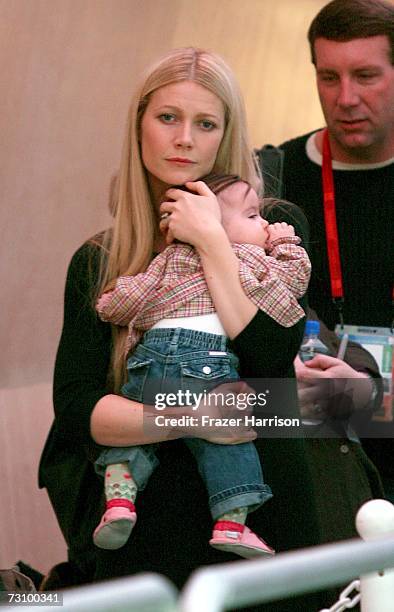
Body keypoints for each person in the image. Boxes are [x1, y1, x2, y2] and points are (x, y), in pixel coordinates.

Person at [38, 47, 328, 611]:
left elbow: (270, 362)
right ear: (139, 124)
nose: (184, 139)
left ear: (226, 134)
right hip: (150, 526)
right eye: (168, 118)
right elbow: (77, 411)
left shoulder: (270, 230)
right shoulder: (99, 260)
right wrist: (191, 418)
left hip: (264, 514)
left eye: (206, 123)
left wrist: (213, 240)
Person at [92, 173, 311, 556]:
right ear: (213, 227)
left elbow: (132, 299)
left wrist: (110, 301)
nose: (262, 223)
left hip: (150, 358)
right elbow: (292, 284)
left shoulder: (170, 258)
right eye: (252, 215)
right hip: (206, 360)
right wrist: (283, 240)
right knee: (227, 440)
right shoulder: (250, 259)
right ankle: (231, 522)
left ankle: (119, 499)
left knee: (140, 417)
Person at [258, 0, 392, 523]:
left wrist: (370, 396)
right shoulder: (272, 178)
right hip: (313, 467)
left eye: (366, 76)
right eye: (329, 77)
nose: (346, 98)